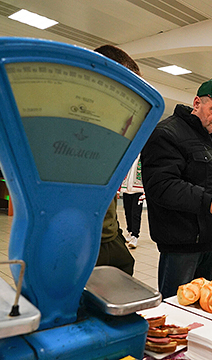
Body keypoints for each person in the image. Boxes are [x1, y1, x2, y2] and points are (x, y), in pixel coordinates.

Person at [141, 77, 212, 299]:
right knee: (177, 311)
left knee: (205, 307)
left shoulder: (207, 139)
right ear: (197, 103)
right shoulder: (167, 133)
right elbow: (162, 186)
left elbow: (205, 180)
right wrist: (208, 202)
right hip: (180, 247)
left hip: (207, 242)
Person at [93, 44, 141, 276]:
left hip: (110, 237)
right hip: (77, 243)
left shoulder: (112, 134)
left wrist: (117, 233)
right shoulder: (72, 133)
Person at [121, 155, 144, 249]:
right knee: (127, 212)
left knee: (136, 213)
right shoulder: (129, 155)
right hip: (127, 189)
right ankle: (130, 231)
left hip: (138, 190)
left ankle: (135, 235)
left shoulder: (144, 156)